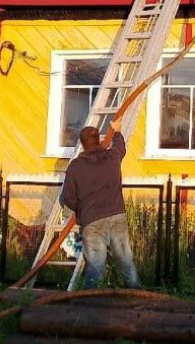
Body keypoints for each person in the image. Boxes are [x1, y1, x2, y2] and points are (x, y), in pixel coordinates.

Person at [59, 120, 141, 289]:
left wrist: (82, 209)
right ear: (99, 139)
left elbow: (68, 197)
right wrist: (117, 131)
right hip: (116, 215)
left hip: (92, 221)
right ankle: (135, 296)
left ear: (82, 144)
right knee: (126, 261)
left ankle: (90, 300)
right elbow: (120, 148)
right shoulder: (112, 157)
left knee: (95, 266)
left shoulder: (75, 167)